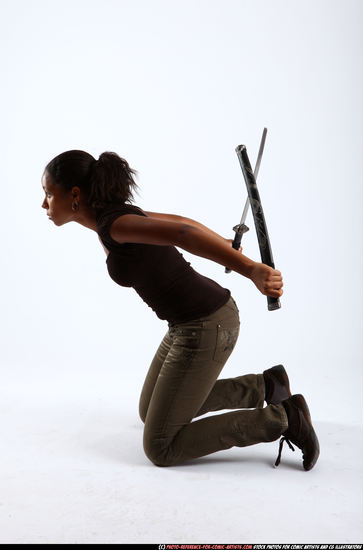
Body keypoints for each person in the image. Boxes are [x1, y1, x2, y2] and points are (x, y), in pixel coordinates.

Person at [41, 149, 319, 471]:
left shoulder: (116, 224)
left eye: (48, 194)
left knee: (161, 446)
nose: (44, 204)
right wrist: (226, 243)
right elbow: (183, 223)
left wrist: (250, 269)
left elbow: (183, 233)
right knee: (149, 413)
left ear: (74, 194)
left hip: (207, 326)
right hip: (186, 325)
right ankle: (266, 386)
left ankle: (284, 418)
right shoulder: (121, 218)